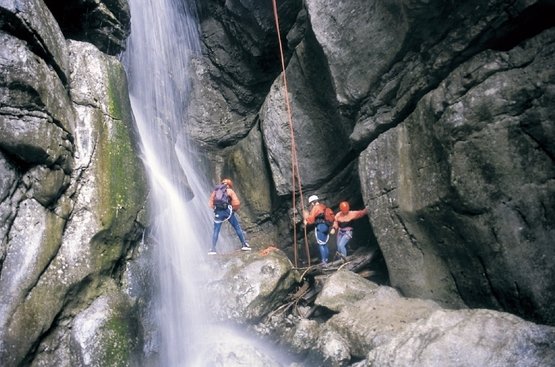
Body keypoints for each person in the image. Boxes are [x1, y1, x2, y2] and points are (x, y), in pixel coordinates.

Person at [208, 178, 251, 254]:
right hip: (228, 212)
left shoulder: (216, 191)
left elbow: (210, 203)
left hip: (218, 213)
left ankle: (213, 249)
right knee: (237, 227)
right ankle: (244, 245)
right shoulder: (230, 191)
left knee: (216, 231)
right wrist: (233, 210)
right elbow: (236, 203)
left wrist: (216, 209)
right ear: (229, 185)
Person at [303, 195, 333, 265]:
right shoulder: (323, 206)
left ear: (312, 203)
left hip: (320, 227)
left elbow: (311, 219)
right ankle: (326, 259)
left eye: (310, 204)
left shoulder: (316, 208)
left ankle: (324, 261)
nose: (310, 205)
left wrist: (306, 220)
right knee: (324, 244)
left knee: (321, 244)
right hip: (326, 226)